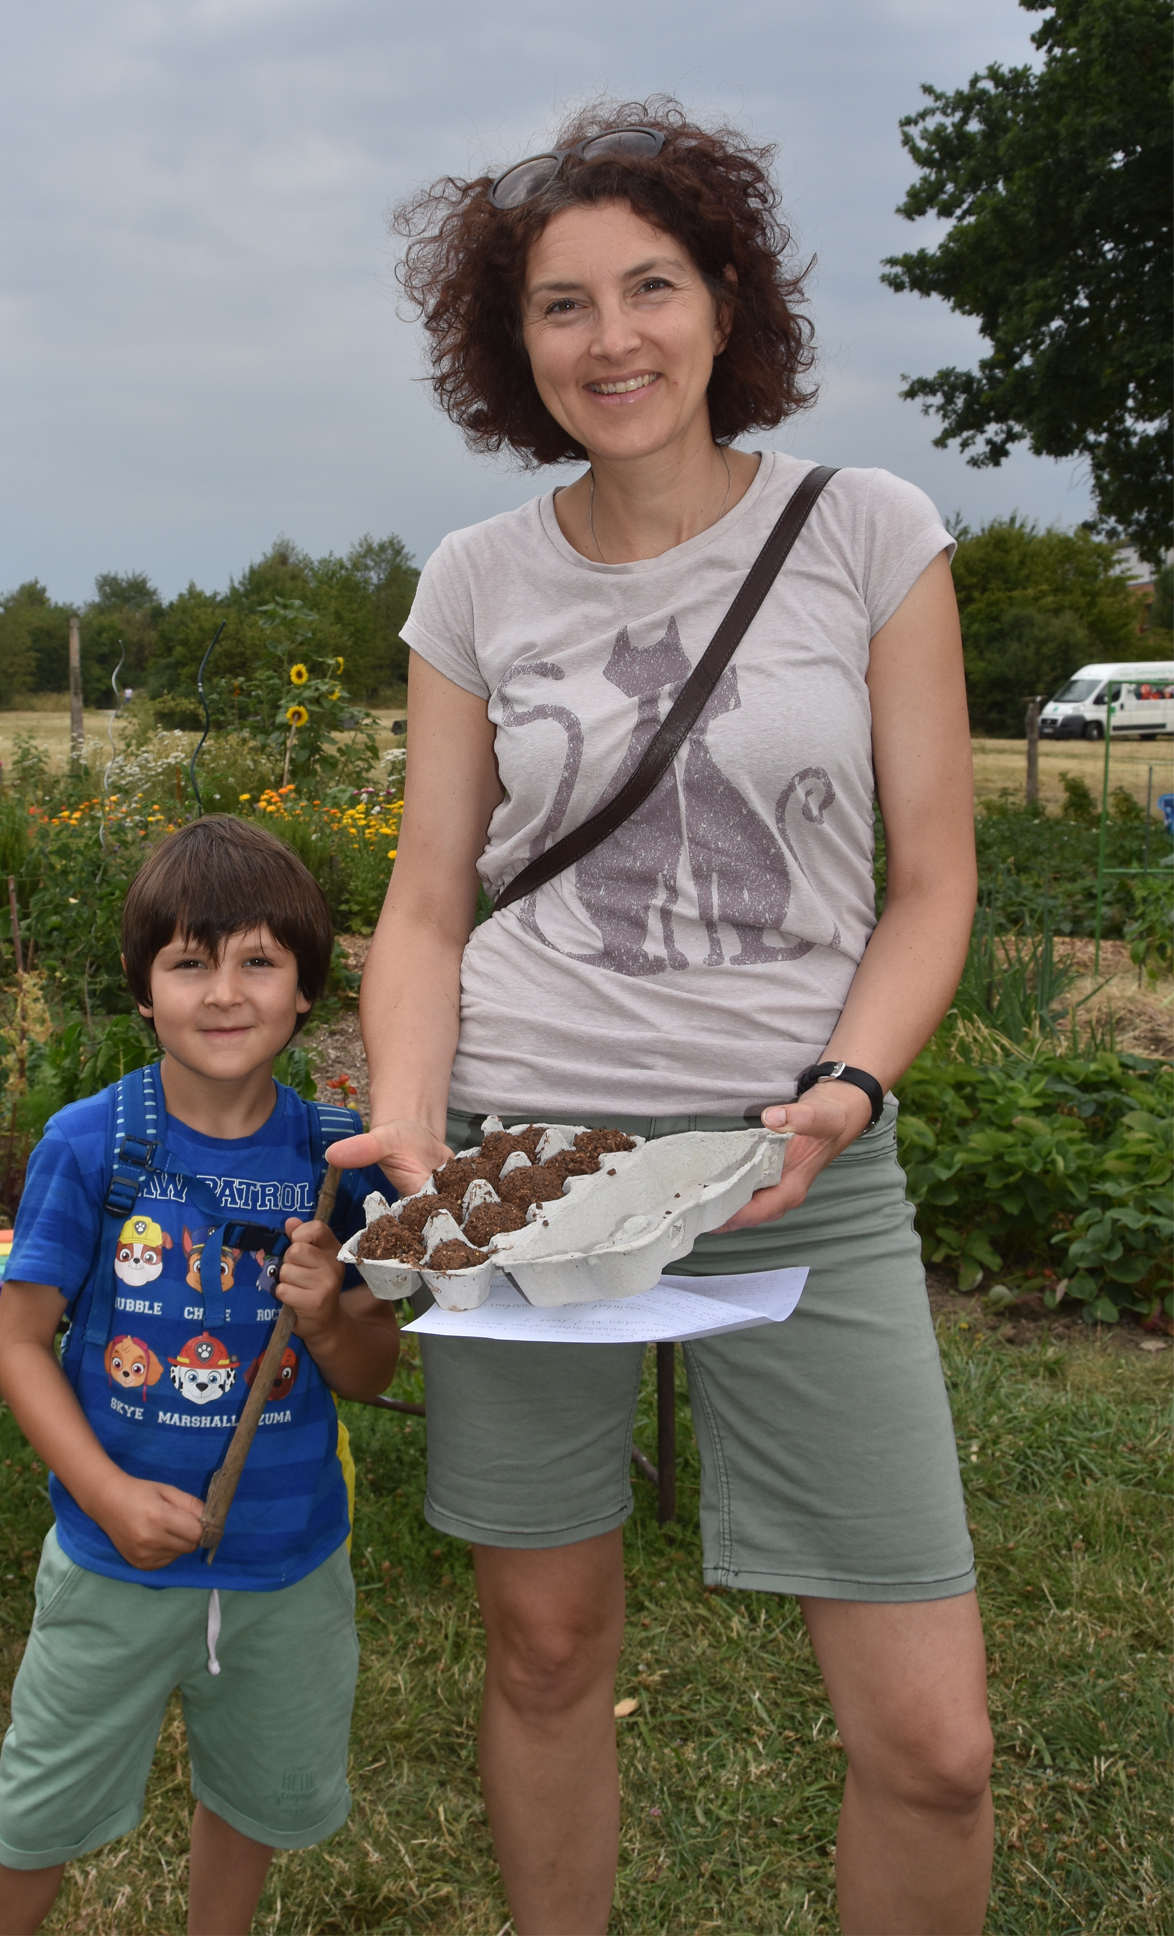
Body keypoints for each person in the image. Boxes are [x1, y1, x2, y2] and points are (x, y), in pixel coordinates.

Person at [328, 102, 992, 1935]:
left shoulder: (866, 531)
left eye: (649, 289)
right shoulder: (473, 579)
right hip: (521, 1155)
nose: (609, 338)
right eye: (561, 305)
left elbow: (932, 880)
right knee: (545, 1651)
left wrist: (846, 1087)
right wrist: (409, 1117)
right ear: (511, 346)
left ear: (723, 307)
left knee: (933, 1743)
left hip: (798, 1163)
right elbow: (427, 901)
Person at [0, 817, 399, 1936]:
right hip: (113, 1565)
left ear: (306, 988)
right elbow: (20, 1343)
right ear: (144, 989)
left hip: (288, 1565)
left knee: (251, 1800)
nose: (225, 992)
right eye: (191, 961)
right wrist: (105, 1493)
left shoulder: (339, 1164)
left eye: (260, 960)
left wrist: (324, 1314)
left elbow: (369, 1366)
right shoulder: (92, 1143)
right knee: (37, 1815)